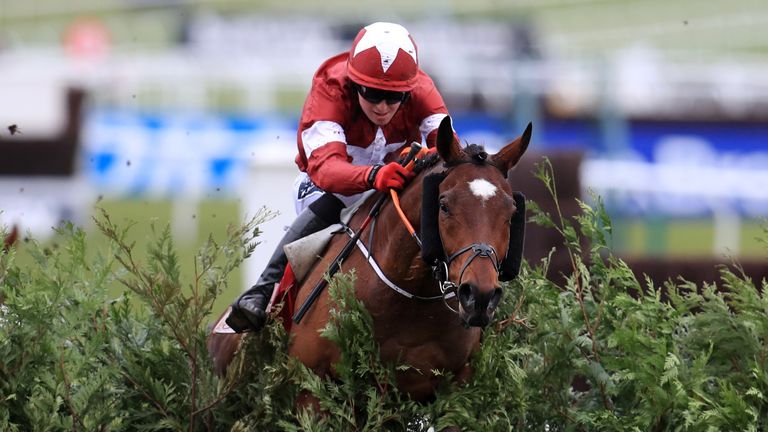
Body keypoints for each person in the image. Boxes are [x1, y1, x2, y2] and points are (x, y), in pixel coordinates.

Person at [226, 21, 455, 332]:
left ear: (409, 90)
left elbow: (452, 153)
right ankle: (262, 291)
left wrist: (434, 158)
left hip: (395, 181)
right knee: (339, 200)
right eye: (373, 94)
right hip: (327, 186)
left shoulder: (422, 91)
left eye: (395, 97)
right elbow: (326, 168)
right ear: (356, 84)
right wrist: (374, 175)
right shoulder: (330, 89)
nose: (383, 107)